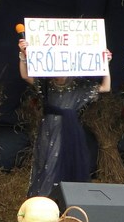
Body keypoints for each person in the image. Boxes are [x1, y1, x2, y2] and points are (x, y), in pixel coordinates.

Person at [19, 37, 111, 197]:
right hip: (48, 128)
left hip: (68, 130)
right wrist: (22, 55)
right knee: (45, 162)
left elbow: (105, 87)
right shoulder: (46, 83)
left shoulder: (77, 86)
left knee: (61, 161)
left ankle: (62, 200)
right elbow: (26, 76)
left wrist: (105, 64)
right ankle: (43, 200)